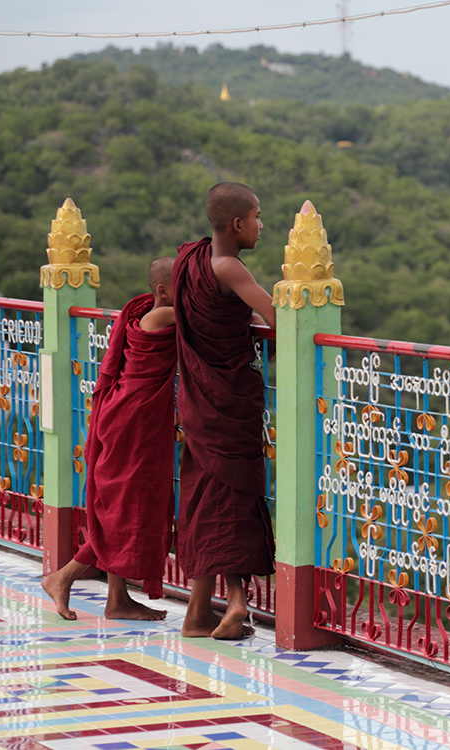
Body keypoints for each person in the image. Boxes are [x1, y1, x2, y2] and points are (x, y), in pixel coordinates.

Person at [42, 257, 178, 621]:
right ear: (163, 291)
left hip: (129, 416)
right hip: (135, 421)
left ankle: (117, 599)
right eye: (186, 284)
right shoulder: (162, 316)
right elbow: (213, 320)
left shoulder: (145, 312)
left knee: (122, 505)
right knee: (125, 508)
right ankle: (63, 576)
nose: (193, 291)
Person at [173, 182, 277, 640]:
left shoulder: (189, 262)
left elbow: (213, 319)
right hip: (228, 401)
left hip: (199, 398)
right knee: (229, 499)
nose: (262, 225)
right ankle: (233, 602)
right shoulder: (229, 267)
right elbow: (280, 316)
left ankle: (202, 611)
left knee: (205, 497)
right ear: (238, 224)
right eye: (257, 217)